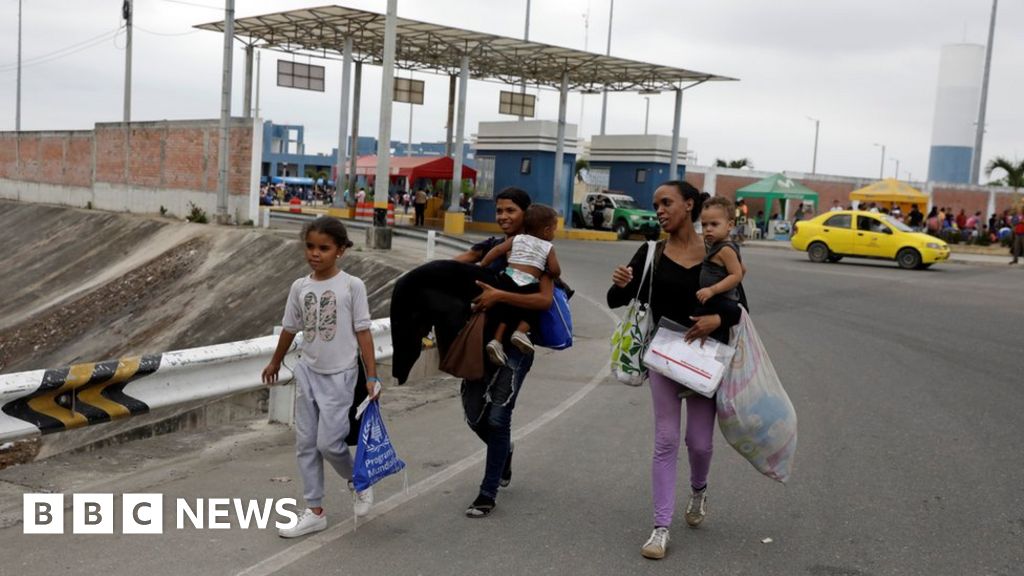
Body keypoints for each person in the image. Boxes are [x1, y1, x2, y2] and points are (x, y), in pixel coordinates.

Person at [607, 180, 743, 560]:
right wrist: (620, 284)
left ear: (689, 205)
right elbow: (618, 299)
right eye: (656, 204)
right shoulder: (652, 251)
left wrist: (716, 318)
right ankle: (660, 527)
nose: (660, 210)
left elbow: (738, 307)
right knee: (666, 440)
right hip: (664, 355)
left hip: (704, 359)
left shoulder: (717, 251)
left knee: (699, 443)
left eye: (667, 203)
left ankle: (699, 490)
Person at [261, 217, 380, 538]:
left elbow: (364, 332)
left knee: (329, 443)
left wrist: (372, 376)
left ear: (340, 250)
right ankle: (314, 510)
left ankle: (358, 480)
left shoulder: (352, 286)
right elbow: (290, 328)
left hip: (340, 376)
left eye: (324, 248)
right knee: (306, 445)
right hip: (308, 373)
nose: (315, 253)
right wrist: (275, 361)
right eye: (310, 247)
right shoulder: (300, 287)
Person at [451, 187, 556, 518]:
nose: (503, 216)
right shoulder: (493, 247)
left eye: (510, 210)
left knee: (498, 417)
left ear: (527, 214)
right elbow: (466, 263)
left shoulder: (539, 251)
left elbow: (544, 300)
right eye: (499, 211)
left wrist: (500, 296)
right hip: (482, 341)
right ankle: (504, 451)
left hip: (517, 346)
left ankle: (487, 492)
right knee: (473, 414)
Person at [478, 204, 561, 365]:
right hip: (529, 282)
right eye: (553, 229)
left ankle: (496, 340)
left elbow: (496, 251)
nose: (554, 233)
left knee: (507, 310)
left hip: (508, 278)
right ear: (545, 230)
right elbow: (555, 270)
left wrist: (483, 265)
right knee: (534, 308)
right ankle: (520, 332)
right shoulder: (548, 247)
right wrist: (553, 273)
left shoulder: (517, 239)